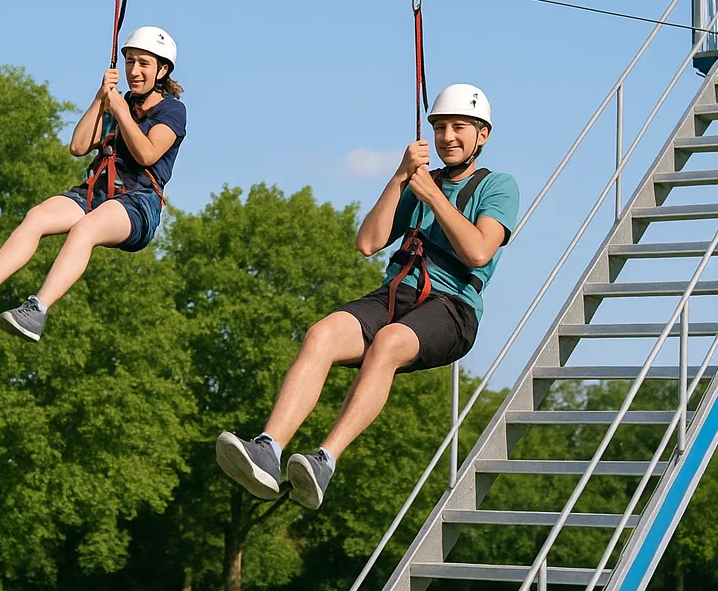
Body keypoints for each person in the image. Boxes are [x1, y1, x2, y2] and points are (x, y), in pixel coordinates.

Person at [216, 84, 518, 511]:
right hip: (398, 293)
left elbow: (478, 251)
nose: (448, 136)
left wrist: (433, 196)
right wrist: (399, 178)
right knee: (321, 334)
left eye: (459, 127)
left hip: (452, 309)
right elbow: (368, 242)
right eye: (440, 127)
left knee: (390, 341)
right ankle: (268, 449)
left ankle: (324, 460)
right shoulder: (418, 183)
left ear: (481, 135)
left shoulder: (498, 186)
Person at [0, 26, 186, 342]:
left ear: (162, 70)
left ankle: (36, 310)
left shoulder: (172, 111)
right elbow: (79, 145)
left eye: (143, 64)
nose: (134, 72)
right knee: (39, 215)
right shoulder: (118, 101)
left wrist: (121, 112)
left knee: (84, 229)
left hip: (138, 204)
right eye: (130, 62)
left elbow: (146, 154)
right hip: (97, 191)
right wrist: (101, 99)